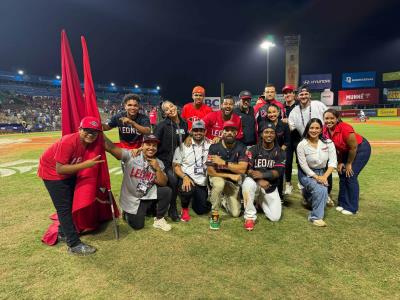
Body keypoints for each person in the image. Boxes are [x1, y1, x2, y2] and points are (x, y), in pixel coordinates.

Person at [37, 116, 104, 255]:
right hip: (52, 173)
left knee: (72, 203)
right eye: (87, 130)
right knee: (64, 208)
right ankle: (74, 245)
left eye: (94, 131)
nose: (90, 134)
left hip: (68, 172)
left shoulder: (91, 142)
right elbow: (60, 169)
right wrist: (86, 165)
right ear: (79, 129)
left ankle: (63, 232)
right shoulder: (69, 141)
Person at [105, 134, 172, 231]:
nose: (151, 148)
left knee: (166, 191)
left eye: (154, 145)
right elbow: (111, 148)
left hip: (147, 194)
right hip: (132, 198)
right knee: (138, 226)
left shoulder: (158, 162)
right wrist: (98, 132)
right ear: (142, 145)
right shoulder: (131, 155)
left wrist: (157, 168)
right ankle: (127, 213)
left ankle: (159, 219)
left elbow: (163, 183)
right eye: (148, 144)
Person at [288, 85, 334, 205]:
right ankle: (306, 194)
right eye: (301, 94)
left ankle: (327, 194)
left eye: (305, 94)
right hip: (306, 142)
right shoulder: (294, 111)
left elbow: (330, 118)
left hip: (321, 140)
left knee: (324, 166)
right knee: (303, 167)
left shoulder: (318, 105)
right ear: (297, 97)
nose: (303, 96)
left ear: (310, 95)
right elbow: (290, 127)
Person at [323, 109, 371, 215]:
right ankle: (342, 203)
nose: (329, 121)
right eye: (327, 118)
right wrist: (340, 162)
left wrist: (349, 163)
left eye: (332, 118)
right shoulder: (325, 130)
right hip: (344, 151)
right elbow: (335, 148)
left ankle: (352, 207)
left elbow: (353, 148)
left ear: (337, 118)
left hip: (360, 149)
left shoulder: (345, 128)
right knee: (342, 174)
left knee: (350, 174)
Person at [242, 123, 286, 231]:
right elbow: (248, 169)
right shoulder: (253, 149)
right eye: (266, 132)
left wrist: (262, 175)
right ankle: (249, 217)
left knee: (275, 217)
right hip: (255, 183)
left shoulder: (280, 152)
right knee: (247, 183)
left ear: (275, 135)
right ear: (261, 134)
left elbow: (278, 172)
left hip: (270, 186)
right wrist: (259, 179)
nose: (269, 135)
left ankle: (259, 201)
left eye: (272, 132)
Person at [206, 121, 248, 230]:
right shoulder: (214, 147)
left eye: (232, 130)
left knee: (235, 213)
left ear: (236, 133)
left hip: (232, 183)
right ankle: (214, 214)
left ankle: (223, 200)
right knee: (219, 183)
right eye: (227, 130)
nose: (229, 132)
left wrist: (223, 163)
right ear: (222, 132)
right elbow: (210, 171)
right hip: (218, 177)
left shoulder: (242, 147)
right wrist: (229, 175)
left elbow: (242, 169)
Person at [297, 118, 337, 226]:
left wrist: (324, 177)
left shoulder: (328, 143)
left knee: (322, 192)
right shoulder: (302, 145)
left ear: (321, 130)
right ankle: (315, 217)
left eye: (317, 128)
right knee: (321, 190)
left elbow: (333, 162)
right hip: (306, 173)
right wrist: (316, 177)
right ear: (307, 129)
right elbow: (303, 165)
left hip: (323, 173)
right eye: (311, 128)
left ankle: (306, 194)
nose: (314, 130)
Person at [154, 100, 189, 221]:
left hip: (180, 160)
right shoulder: (162, 125)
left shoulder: (184, 123)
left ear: (175, 106)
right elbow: (154, 142)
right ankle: (172, 208)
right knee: (173, 180)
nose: (171, 109)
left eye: (171, 106)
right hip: (165, 161)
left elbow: (186, 137)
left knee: (182, 179)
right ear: (165, 113)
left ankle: (185, 204)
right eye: (167, 109)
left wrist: (189, 136)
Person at [173, 120, 211, 221]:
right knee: (187, 189)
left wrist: (217, 138)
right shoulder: (183, 146)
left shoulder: (210, 144)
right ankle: (184, 209)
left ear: (205, 131)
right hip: (187, 177)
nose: (198, 133)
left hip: (202, 180)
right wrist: (184, 177)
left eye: (201, 130)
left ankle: (197, 198)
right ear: (191, 131)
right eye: (195, 130)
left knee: (201, 210)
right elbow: (176, 166)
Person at [258, 104, 290, 199]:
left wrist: (279, 152)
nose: (272, 114)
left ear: (279, 112)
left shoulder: (284, 125)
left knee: (279, 175)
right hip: (265, 153)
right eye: (269, 112)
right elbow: (260, 140)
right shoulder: (263, 124)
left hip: (279, 154)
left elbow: (287, 141)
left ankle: (279, 196)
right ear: (267, 114)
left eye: (274, 112)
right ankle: (264, 195)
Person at [281, 85, 300, 195]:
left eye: (289, 92)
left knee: (300, 162)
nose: (287, 95)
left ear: (294, 94)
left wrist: (290, 120)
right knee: (287, 163)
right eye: (285, 93)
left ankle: (302, 183)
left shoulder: (299, 106)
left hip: (298, 139)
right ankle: (288, 184)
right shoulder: (282, 108)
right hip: (287, 140)